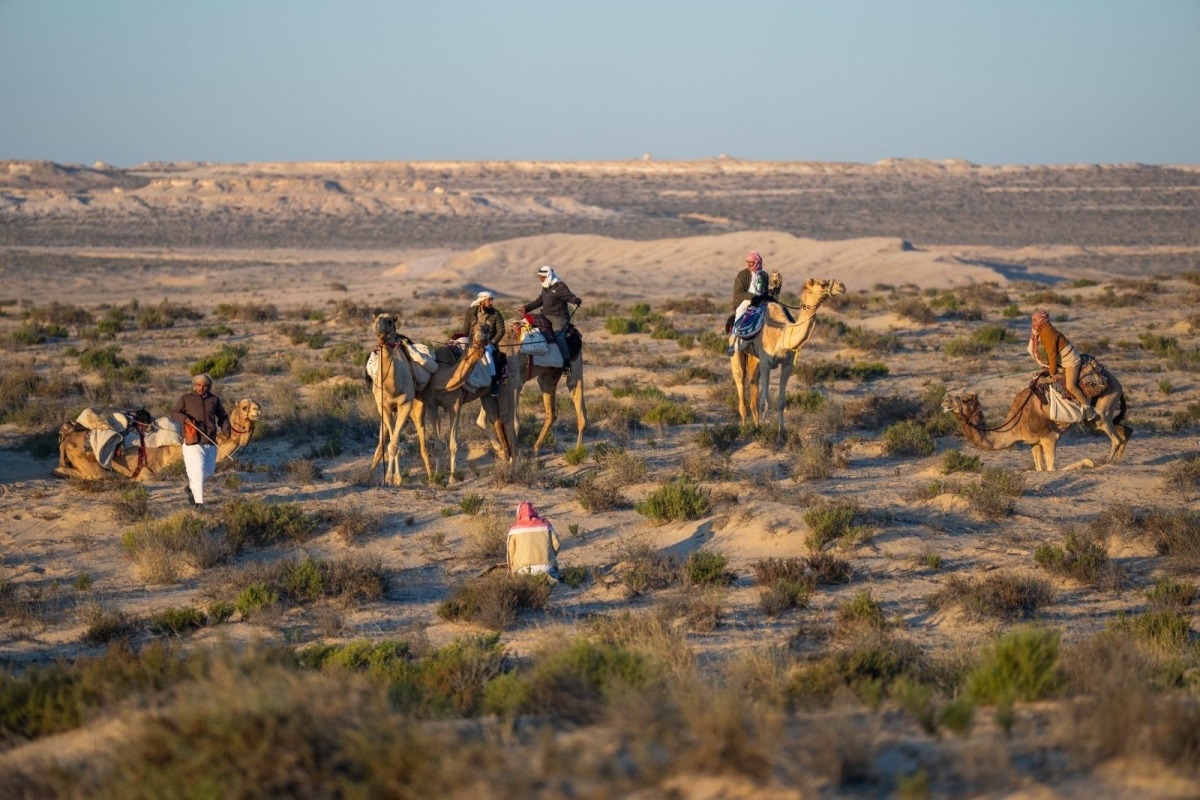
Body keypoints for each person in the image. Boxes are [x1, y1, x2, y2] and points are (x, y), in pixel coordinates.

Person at [171, 373, 230, 507]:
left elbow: (223, 417)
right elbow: (174, 413)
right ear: (194, 385)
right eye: (198, 385)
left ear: (209, 387)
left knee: (208, 472)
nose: (201, 388)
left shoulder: (214, 400)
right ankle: (199, 504)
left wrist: (226, 430)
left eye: (204, 386)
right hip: (192, 440)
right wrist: (185, 419)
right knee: (198, 470)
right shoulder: (186, 398)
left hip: (210, 440)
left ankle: (191, 488)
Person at [1028, 310, 1097, 421]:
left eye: (1035, 320)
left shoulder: (1047, 332)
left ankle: (1088, 409)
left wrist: (1052, 370)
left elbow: (1052, 354)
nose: (1034, 322)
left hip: (1070, 360)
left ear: (1041, 321)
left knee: (1071, 386)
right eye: (1033, 320)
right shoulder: (1043, 330)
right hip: (1062, 359)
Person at [519, 265, 581, 375]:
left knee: (559, 336)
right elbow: (540, 301)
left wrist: (575, 300)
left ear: (548, 275)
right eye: (540, 277)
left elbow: (569, 297)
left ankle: (567, 365)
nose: (541, 279)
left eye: (542, 277)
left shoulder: (560, 286)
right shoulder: (545, 287)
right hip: (545, 316)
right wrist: (527, 308)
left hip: (559, 317)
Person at [463, 290, 506, 396]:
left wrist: (493, 342)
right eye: (489, 300)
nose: (491, 303)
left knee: (489, 356)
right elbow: (466, 328)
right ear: (482, 301)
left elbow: (501, 330)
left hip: (487, 343)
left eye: (492, 300)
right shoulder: (471, 312)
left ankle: (494, 382)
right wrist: (462, 339)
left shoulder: (495, 314)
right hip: (472, 342)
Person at [726, 250, 769, 356]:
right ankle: (733, 342)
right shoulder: (742, 275)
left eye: (752, 263)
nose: (749, 265)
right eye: (748, 262)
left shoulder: (764, 275)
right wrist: (753, 297)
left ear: (757, 263)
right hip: (746, 300)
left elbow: (765, 290)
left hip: (761, 301)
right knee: (740, 314)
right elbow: (739, 292)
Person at [506, 501, 561, 580]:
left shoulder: (514, 530)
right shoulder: (546, 525)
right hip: (547, 567)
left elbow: (510, 554)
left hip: (522, 570)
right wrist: (550, 556)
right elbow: (557, 544)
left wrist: (512, 572)